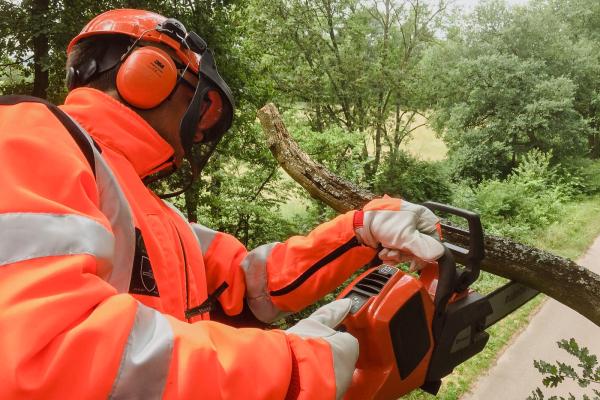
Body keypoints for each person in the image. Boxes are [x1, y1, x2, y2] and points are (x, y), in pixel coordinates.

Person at [0, 9, 445, 400]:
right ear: (149, 75)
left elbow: (250, 285)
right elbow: (47, 356)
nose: (200, 128)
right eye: (202, 104)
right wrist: (288, 370)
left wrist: (360, 229)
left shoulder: (147, 208)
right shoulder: (28, 138)